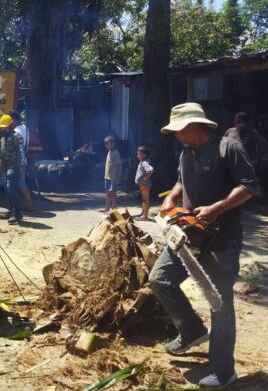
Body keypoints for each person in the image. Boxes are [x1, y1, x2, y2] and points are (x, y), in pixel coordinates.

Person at [149, 102, 258, 390]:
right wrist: (171, 198)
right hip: (188, 236)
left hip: (222, 240)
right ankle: (192, 331)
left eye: (179, 130)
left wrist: (217, 208)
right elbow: (180, 180)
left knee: (218, 304)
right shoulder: (186, 152)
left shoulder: (228, 148)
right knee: (159, 279)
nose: (176, 135)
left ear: (194, 126)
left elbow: (249, 186)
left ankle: (224, 372)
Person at [0, 114, 26, 224]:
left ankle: (17, 213)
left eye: (4, 126)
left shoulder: (16, 137)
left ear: (10, 126)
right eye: (1, 127)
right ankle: (11, 210)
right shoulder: (3, 138)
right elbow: (3, 152)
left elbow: (21, 152)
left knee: (10, 187)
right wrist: (1, 162)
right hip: (6, 165)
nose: (2, 128)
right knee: (6, 187)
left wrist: (22, 165)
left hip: (15, 165)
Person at [102, 136, 122, 213]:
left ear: (113, 144)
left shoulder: (116, 152)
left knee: (113, 194)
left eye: (107, 144)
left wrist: (119, 177)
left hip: (113, 178)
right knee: (107, 193)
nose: (105, 146)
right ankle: (107, 207)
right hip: (107, 177)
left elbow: (119, 165)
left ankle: (113, 209)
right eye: (105, 144)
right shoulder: (109, 152)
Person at [134, 146, 154, 221]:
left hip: (145, 184)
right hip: (142, 184)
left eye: (139, 154)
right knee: (144, 199)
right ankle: (143, 213)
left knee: (146, 200)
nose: (137, 156)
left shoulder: (145, 163)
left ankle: (145, 216)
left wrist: (146, 177)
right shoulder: (142, 162)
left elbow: (151, 170)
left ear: (144, 155)